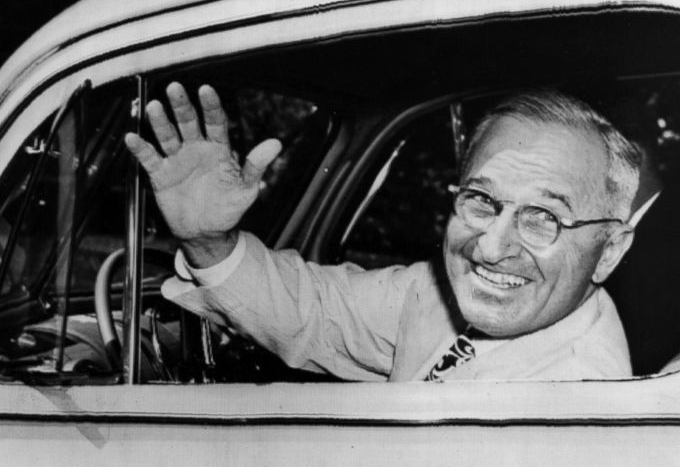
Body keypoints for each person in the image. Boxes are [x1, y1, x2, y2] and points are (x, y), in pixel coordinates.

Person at [125, 83, 642, 381]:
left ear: (608, 252)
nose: (491, 247)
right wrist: (208, 242)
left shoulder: (575, 397)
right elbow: (318, 310)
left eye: (542, 218)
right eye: (482, 201)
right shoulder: (436, 294)